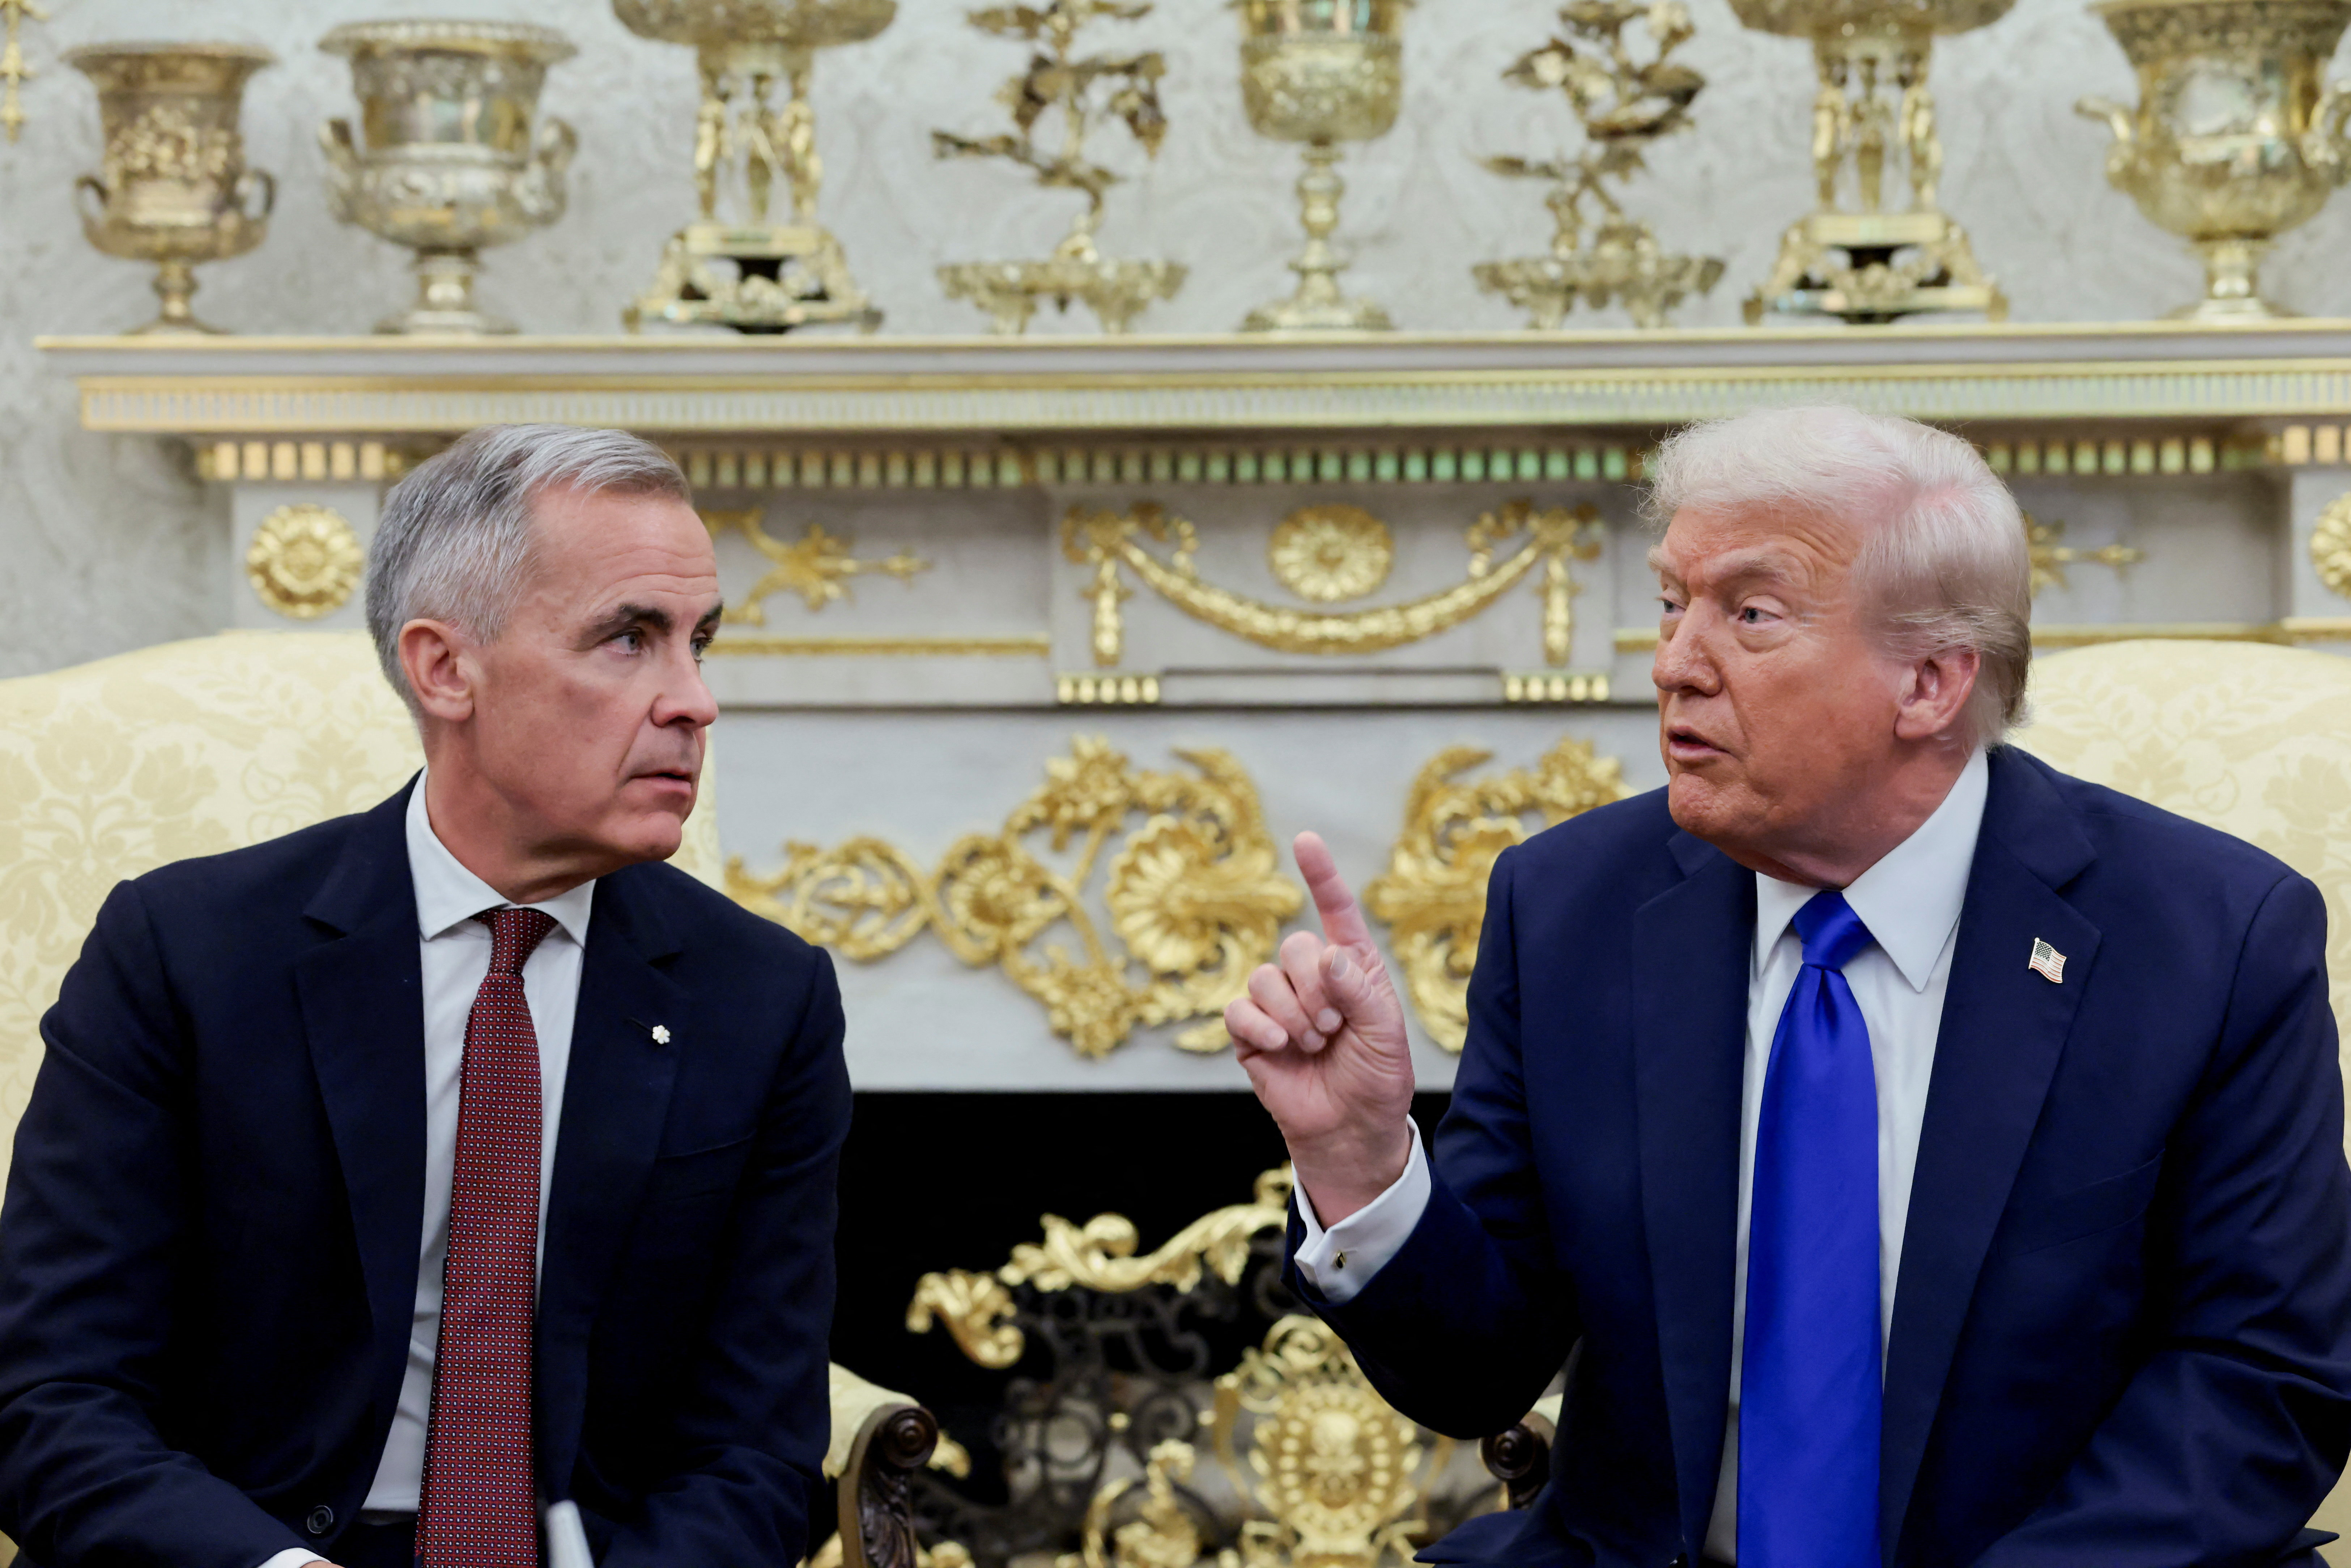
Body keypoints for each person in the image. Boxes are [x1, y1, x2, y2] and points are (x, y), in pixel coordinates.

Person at [1228, 405, 2351, 1567]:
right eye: (1671, 602)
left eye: (1748, 615)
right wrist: (1362, 1162)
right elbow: (1478, 1374)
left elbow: (2256, 1387)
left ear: (1927, 683)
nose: (1673, 664)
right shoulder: (1571, 906)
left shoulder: (2208, 937)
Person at [0, 425, 850, 1568]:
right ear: (445, 668)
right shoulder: (186, 954)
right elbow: (53, 1397)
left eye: (700, 643)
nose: (694, 702)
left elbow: (757, 1452)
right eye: (628, 640)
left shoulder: (764, 999)